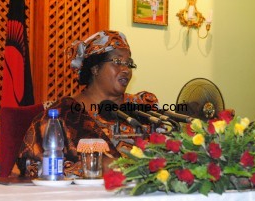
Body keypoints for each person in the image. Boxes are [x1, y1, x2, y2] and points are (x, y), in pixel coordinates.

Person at [11, 30, 158, 178]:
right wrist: (94, 167)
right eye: (118, 62)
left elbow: (168, 153)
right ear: (95, 69)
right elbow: (30, 168)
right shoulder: (63, 113)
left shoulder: (142, 106)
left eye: (129, 64)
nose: (126, 70)